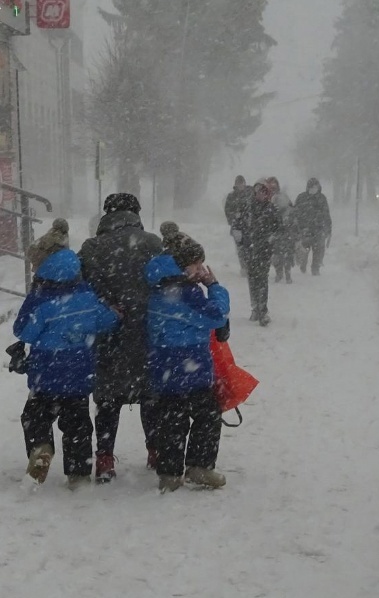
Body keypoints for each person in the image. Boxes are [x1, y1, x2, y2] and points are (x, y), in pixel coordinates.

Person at [13, 249, 120, 489]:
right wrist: (114, 313)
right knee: (78, 423)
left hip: (45, 371)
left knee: (35, 415)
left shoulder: (39, 299)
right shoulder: (88, 296)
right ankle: (79, 473)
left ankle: (41, 446)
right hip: (78, 373)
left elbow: (23, 331)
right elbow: (107, 321)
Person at [79, 193, 165, 482]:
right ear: (136, 213)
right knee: (151, 395)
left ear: (106, 214)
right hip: (146, 330)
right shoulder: (153, 243)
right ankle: (156, 451)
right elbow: (165, 283)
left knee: (107, 399)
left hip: (108, 333)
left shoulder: (92, 247)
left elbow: (80, 288)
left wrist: (105, 306)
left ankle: (104, 460)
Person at [144, 243, 231, 492]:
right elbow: (217, 315)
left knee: (171, 419)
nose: (200, 269)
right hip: (190, 363)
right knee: (208, 414)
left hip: (162, 364)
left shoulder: (157, 288)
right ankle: (199, 466)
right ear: (185, 265)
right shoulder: (188, 292)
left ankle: (169, 473)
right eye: (197, 264)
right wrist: (213, 286)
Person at [245, 180, 281, 326]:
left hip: (264, 249)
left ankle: (263, 311)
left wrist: (273, 237)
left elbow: (279, 227)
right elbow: (240, 225)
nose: (261, 194)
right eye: (258, 191)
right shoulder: (248, 207)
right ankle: (254, 308)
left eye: (264, 192)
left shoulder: (271, 209)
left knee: (262, 280)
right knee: (252, 279)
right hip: (250, 248)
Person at [293, 179, 333, 276]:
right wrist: (296, 227)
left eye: (315, 187)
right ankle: (302, 267)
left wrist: (328, 228)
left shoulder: (322, 198)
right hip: (304, 229)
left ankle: (315, 269)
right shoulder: (301, 197)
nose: (313, 189)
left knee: (318, 251)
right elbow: (295, 213)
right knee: (304, 250)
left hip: (318, 229)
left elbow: (326, 214)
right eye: (311, 187)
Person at [266, 177, 296, 283]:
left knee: (287, 252)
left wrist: (288, 216)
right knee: (276, 253)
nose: (273, 188)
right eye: (271, 186)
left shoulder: (283, 196)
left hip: (286, 229)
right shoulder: (265, 197)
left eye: (274, 186)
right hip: (273, 229)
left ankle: (288, 273)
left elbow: (292, 208)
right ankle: (279, 272)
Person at [223, 176, 254, 276]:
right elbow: (227, 210)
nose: (240, 185)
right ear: (235, 184)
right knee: (240, 248)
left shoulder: (251, 193)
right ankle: (243, 267)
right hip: (237, 226)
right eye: (238, 183)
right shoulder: (231, 196)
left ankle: (250, 266)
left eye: (242, 183)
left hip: (250, 226)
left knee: (249, 247)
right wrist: (234, 217)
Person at [27, 218, 70, 284]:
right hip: (48, 270)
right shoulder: (58, 237)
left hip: (42, 269)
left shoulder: (50, 234)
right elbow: (63, 253)